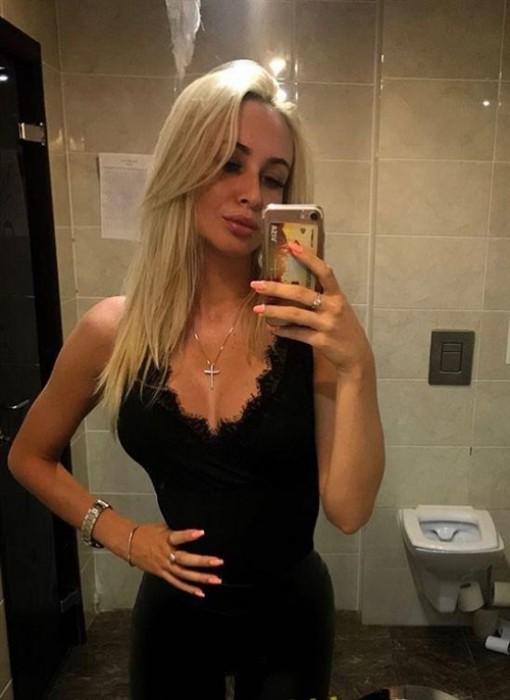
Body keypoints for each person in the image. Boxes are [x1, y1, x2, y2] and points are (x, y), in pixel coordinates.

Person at [8, 59, 385, 700]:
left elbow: (349, 512)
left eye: (273, 177)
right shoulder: (114, 330)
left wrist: (358, 365)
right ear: (183, 166)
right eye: (229, 164)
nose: (253, 193)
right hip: (173, 617)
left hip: (289, 619)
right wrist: (124, 535)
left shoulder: (309, 334)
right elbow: (28, 456)